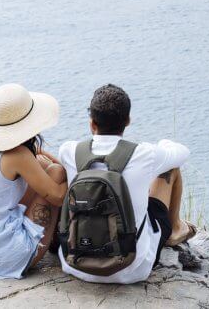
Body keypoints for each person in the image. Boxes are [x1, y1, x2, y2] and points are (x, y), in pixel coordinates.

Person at [58, 84, 194, 284]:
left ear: (92, 123)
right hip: (131, 268)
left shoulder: (69, 151)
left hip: (75, 264)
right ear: (128, 121)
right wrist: (162, 144)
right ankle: (174, 229)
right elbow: (183, 153)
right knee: (170, 169)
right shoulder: (144, 153)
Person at [0, 83, 67, 279]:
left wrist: (43, 159)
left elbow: (35, 158)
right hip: (8, 258)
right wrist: (70, 171)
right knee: (57, 173)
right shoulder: (18, 155)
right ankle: (59, 237)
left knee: (42, 164)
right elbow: (58, 196)